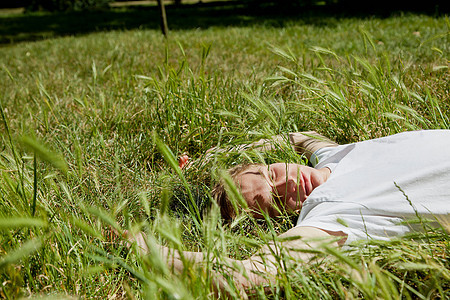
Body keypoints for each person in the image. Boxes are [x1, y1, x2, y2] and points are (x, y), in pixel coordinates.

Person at [131, 130, 450, 294]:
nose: (288, 186)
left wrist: (228, 151)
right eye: (276, 202)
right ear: (280, 221)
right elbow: (246, 275)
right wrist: (142, 248)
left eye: (270, 175)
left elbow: (300, 137)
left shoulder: (334, 155)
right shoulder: (330, 214)